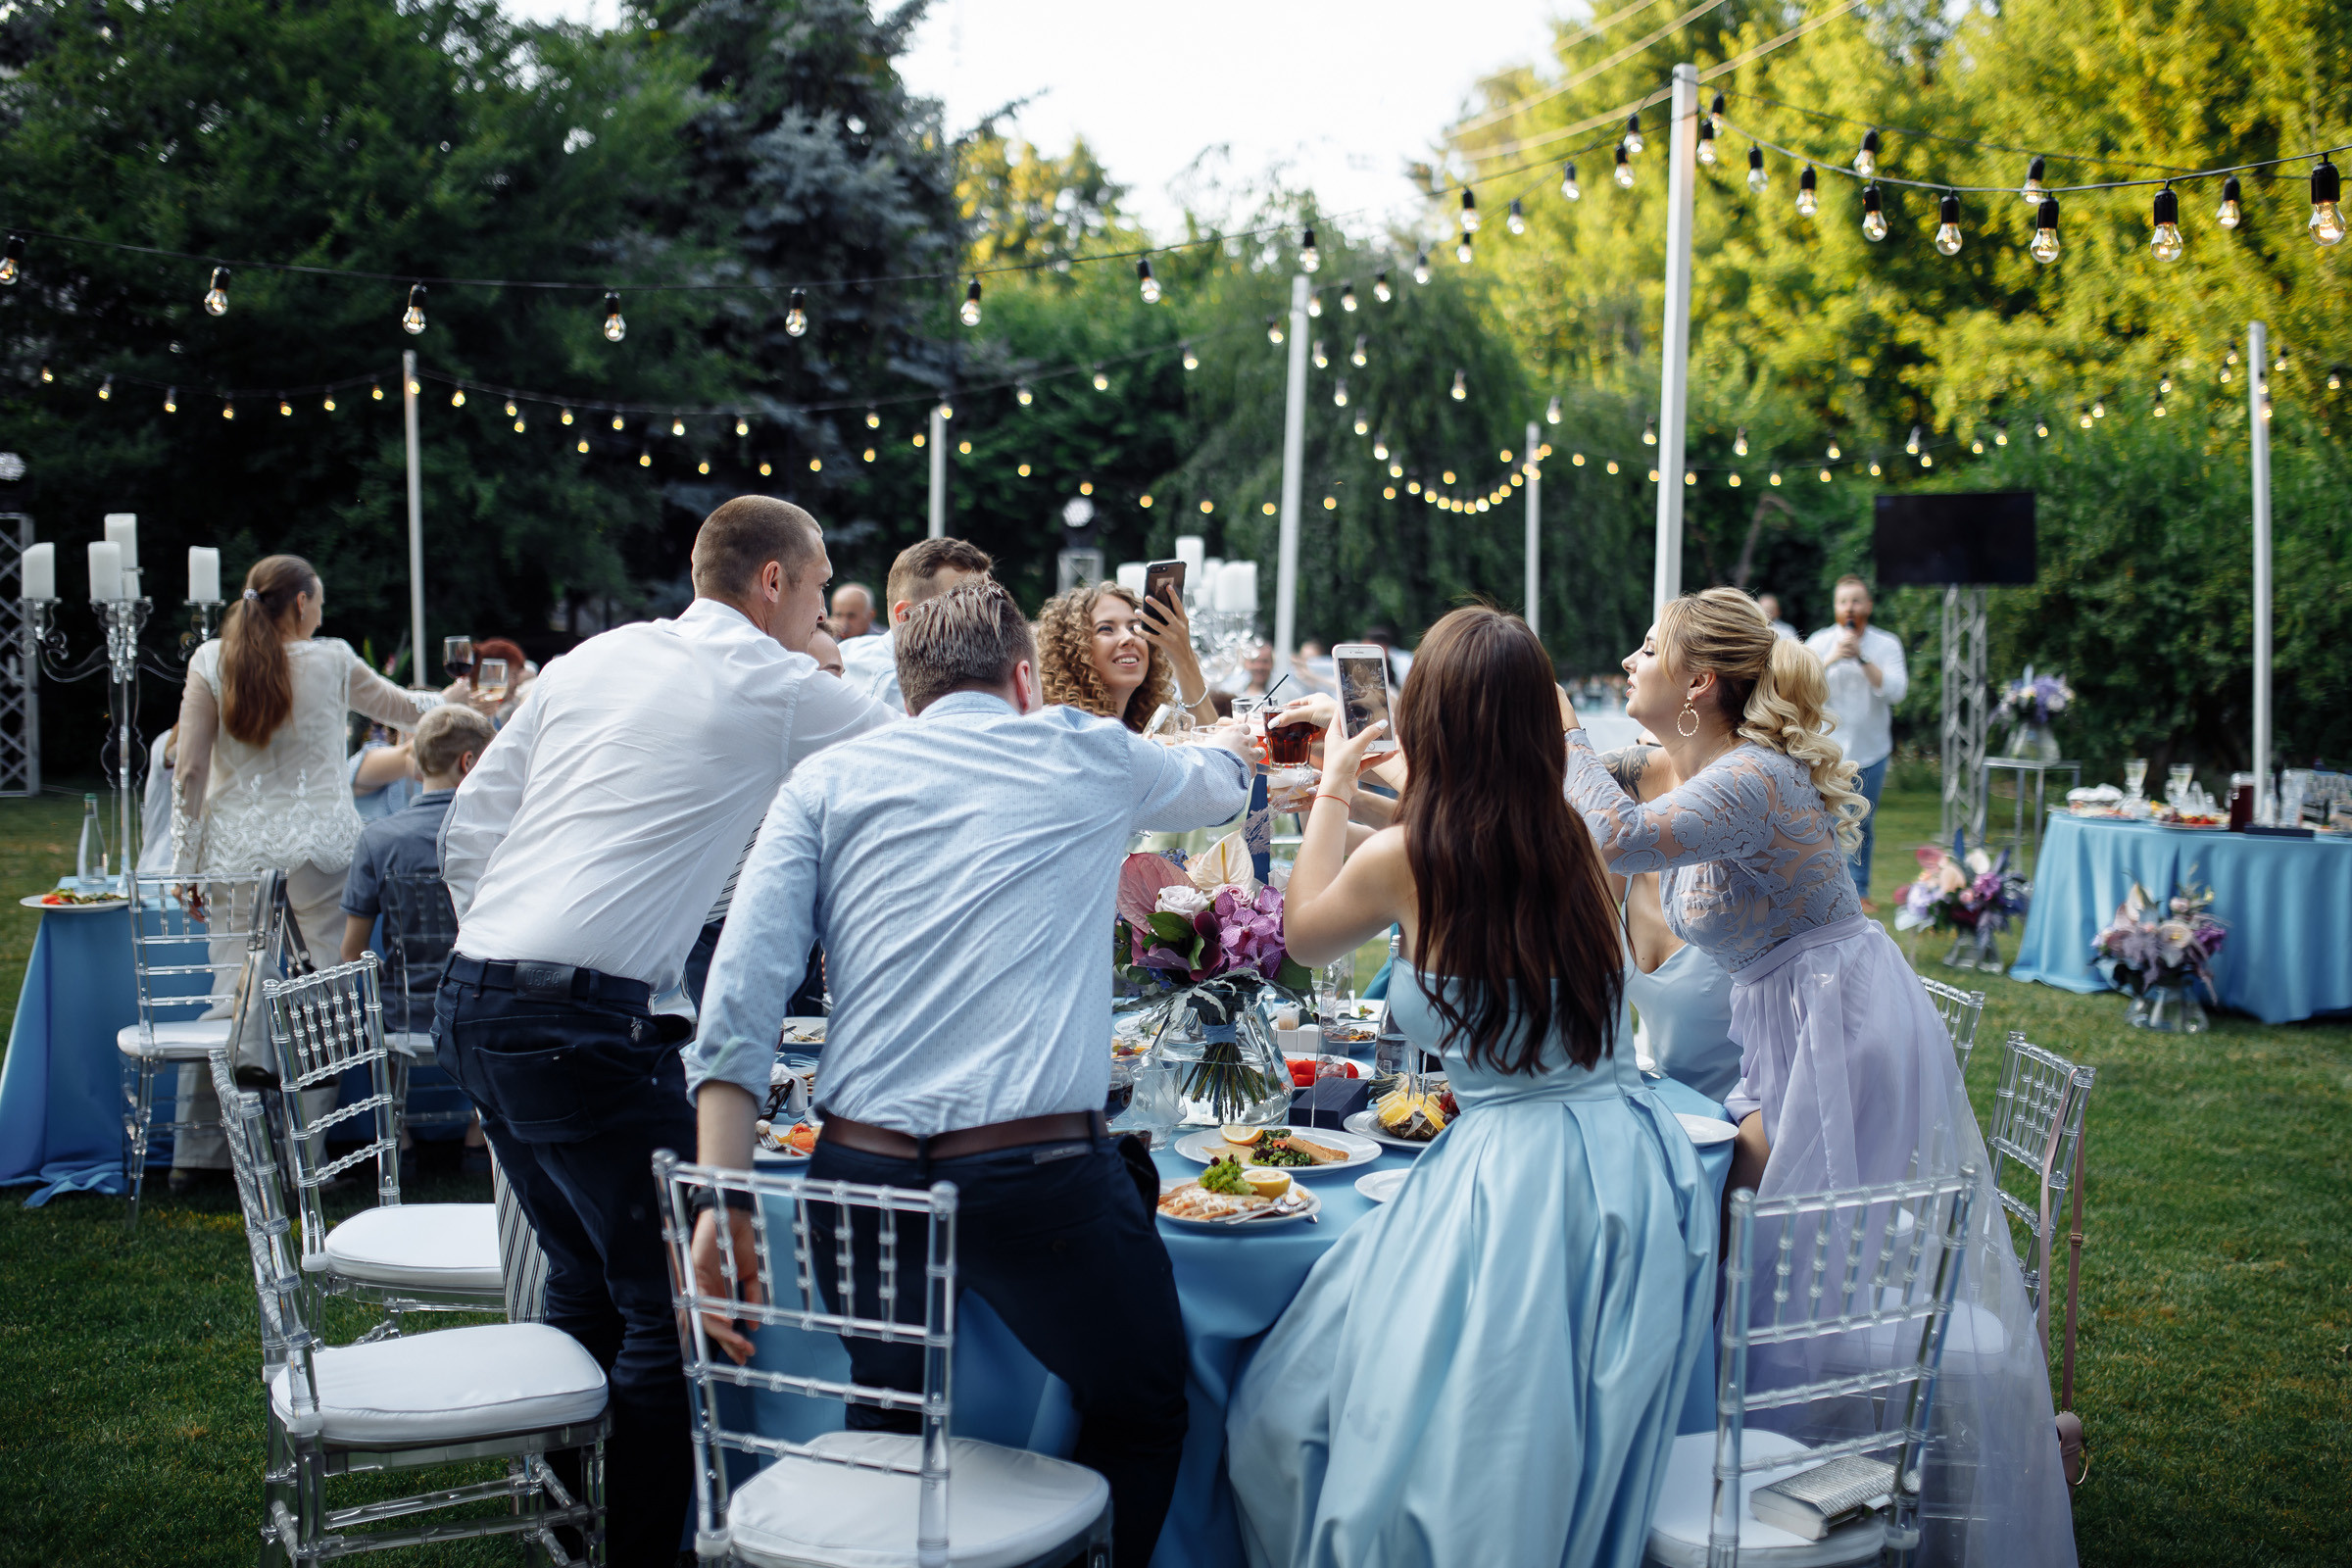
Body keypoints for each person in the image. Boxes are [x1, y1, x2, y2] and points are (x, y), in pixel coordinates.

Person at [688, 581, 1254, 1567]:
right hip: (1034, 1183)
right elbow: (1221, 787)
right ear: (1025, 679)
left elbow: (739, 996)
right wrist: (1239, 734)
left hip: (859, 1177)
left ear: (909, 690)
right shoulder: (1084, 746)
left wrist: (720, 1195)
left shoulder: (828, 778)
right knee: (1145, 1402)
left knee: (888, 1420)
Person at [1563, 587, 2074, 1568]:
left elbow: (1617, 834)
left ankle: (1816, 1478)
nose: (1627, 661)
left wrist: (1564, 733)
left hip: (1838, 1026)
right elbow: (1577, 789)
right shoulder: (1693, 757)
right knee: (1755, 1236)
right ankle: (1801, 1462)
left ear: (1699, 682)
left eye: (1645, 648)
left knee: (1788, 1253)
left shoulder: (1749, 778)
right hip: (1784, 1022)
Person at [433, 496, 897, 1563]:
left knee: (585, 1275)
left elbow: (473, 826)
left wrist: (510, 949)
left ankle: (559, 1514)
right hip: (572, 1026)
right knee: (668, 1304)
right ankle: (646, 1551)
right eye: (821, 586)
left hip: (479, 1000)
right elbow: (920, 746)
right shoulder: (772, 683)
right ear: (773, 582)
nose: (826, 609)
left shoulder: (593, 658)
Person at [1227, 606, 1713, 1568]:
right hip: (1630, 1164)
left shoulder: (1416, 859)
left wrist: (1328, 788)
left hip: (1518, 1184)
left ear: (1430, 718)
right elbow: (1450, 823)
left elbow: (1303, 930)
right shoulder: (1574, 830)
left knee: (1299, 1412)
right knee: (1541, 1439)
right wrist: (1375, 802)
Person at [165, 554, 450, 1183]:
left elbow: (188, 772)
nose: (322, 613)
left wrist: (185, 863)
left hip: (236, 854)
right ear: (301, 603)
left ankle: (203, 1155)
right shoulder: (333, 659)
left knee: (230, 1001)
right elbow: (406, 710)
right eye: (318, 601)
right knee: (320, 998)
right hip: (319, 850)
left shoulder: (210, 659)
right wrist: (457, 702)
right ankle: (304, 1161)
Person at [1598, 739, 1740, 1101]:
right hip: (1670, 1109)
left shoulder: (1727, 879)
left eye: (1663, 754)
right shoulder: (1625, 871)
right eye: (1640, 749)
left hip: (1748, 1117)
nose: (1647, 765)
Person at [338, 705, 496, 966]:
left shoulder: (377, 839)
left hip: (403, 1003)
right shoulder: (501, 833)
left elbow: (352, 952)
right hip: (483, 998)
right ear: (467, 763)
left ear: (420, 763)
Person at [1805, 575, 1907, 909]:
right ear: (1835, 607)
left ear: (1869, 605)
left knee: (1863, 820)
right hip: (1827, 749)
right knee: (1822, 819)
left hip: (1871, 749)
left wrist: (1863, 659)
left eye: (1856, 601)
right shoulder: (1819, 642)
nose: (1850, 607)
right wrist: (1832, 657)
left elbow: (1896, 691)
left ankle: (1860, 892)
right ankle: (1824, 889)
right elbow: (1800, 686)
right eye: (1844, 601)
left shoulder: (1886, 644)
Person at [1036, 580, 1217, 730]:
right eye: (1106, 629)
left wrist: (1184, 660)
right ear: (1070, 649)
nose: (1128, 637)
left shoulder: (1144, 728)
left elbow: (1218, 757)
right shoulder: (1061, 727)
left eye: (1134, 628)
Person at [838, 538, 993, 712]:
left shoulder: (845, 651)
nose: (988, 615)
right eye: (963, 604)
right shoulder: (903, 687)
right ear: (906, 616)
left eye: (990, 599)